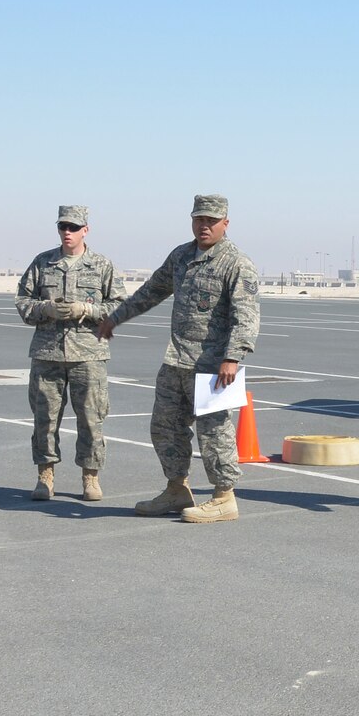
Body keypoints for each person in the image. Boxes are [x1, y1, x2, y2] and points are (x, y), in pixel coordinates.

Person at [98, 194, 259, 524]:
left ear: (225, 224)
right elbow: (151, 291)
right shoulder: (181, 256)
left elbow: (247, 315)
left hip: (215, 366)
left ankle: (224, 498)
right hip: (177, 361)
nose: (204, 225)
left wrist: (232, 357)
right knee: (165, 427)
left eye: (211, 221)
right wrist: (116, 317)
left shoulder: (236, 264)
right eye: (199, 219)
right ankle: (177, 490)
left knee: (215, 434)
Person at [16, 205, 123, 502]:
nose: (67, 232)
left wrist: (87, 310)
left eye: (73, 227)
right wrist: (45, 308)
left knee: (91, 419)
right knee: (44, 419)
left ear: (85, 230)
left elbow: (120, 306)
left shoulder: (101, 265)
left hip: (88, 355)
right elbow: (22, 301)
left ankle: (90, 476)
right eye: (63, 226)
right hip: (47, 354)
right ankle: (45, 475)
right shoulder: (43, 263)